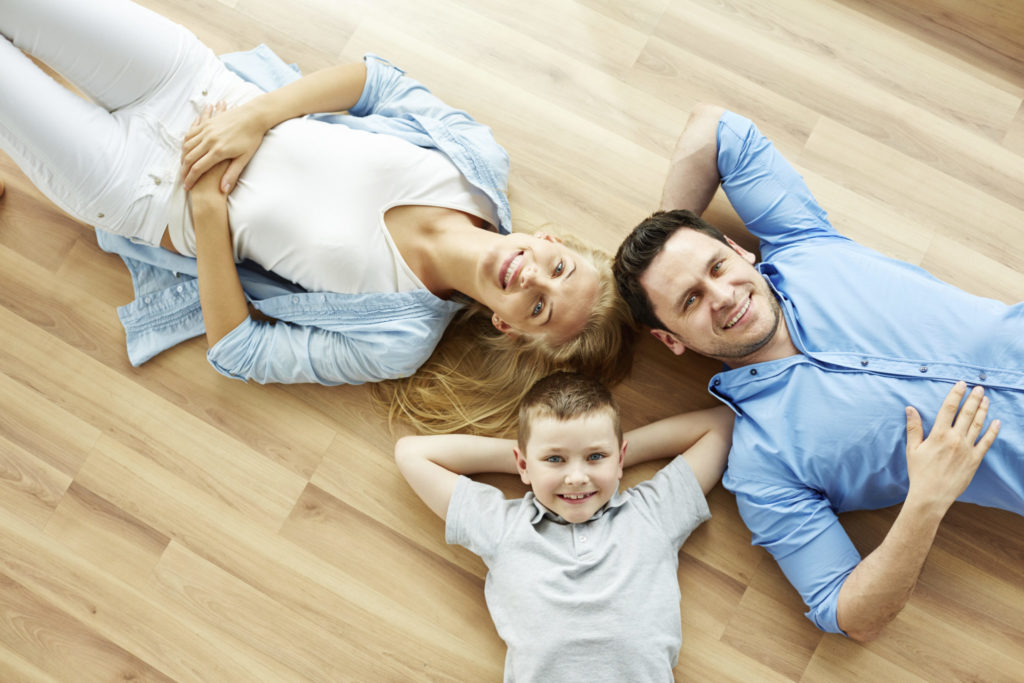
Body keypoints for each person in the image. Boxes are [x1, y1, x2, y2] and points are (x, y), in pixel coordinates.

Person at [0, 0, 633, 434]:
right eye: (558, 268)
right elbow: (375, 80)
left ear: (509, 326)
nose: (533, 278)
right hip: (193, 84)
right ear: (551, 241)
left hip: (140, 187)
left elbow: (239, 351)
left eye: (541, 308)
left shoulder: (398, 341)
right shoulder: (475, 162)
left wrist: (208, 213)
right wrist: (256, 116)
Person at [613, 104, 1020, 641]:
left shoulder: (804, 242)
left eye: (716, 267)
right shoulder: (763, 466)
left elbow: (715, 127)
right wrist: (926, 501)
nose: (722, 295)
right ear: (670, 340)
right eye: (689, 300)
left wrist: (663, 235)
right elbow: (845, 612)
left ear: (739, 250)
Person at [395, 371, 733, 680]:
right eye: (555, 459)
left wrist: (609, 458)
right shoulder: (504, 527)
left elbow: (722, 424)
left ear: (620, 457)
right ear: (522, 464)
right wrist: (534, 461)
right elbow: (411, 454)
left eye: (594, 457)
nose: (575, 477)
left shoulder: (653, 513)